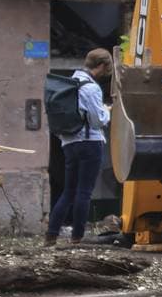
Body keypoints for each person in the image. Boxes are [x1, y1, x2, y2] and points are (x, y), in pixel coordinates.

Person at [46, 48, 113, 246]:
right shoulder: (91, 88)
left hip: (69, 143)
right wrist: (107, 111)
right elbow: (98, 120)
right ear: (100, 66)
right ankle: (77, 237)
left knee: (68, 191)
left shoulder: (68, 84)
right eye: (106, 68)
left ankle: (51, 234)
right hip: (90, 143)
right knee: (84, 192)